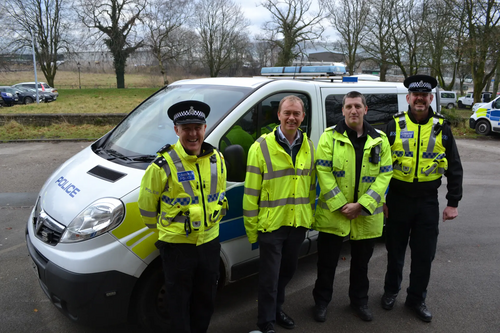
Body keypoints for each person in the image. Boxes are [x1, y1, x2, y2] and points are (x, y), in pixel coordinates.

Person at [138, 100, 228, 333]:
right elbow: (147, 209)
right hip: (177, 247)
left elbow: (219, 194)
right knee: (178, 303)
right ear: (176, 130)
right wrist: (168, 230)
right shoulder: (162, 165)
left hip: (209, 243)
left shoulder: (217, 158)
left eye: (197, 127)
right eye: (186, 128)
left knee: (205, 300)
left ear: (205, 128)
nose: (192, 133)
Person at [381, 75, 463, 322]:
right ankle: (390, 292)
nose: (419, 99)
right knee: (394, 251)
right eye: (415, 95)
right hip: (397, 199)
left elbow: (455, 167)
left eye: (424, 96)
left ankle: (416, 299)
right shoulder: (393, 125)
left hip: (427, 201)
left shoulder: (442, 127)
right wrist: (382, 199)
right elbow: (379, 166)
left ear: (430, 99)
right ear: (408, 98)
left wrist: (453, 202)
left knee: (424, 254)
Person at [312, 91, 393, 323]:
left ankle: (359, 302)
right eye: (349, 106)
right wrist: (342, 205)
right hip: (334, 216)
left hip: (365, 216)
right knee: (326, 264)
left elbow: (385, 175)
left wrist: (362, 205)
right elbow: (323, 171)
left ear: (365, 110)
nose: (353, 110)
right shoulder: (328, 137)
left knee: (361, 264)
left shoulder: (380, 139)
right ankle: (321, 302)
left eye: (358, 106)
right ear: (343, 110)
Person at [243, 95, 316, 333]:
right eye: (287, 113)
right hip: (271, 226)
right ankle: (266, 324)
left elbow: (311, 186)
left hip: (297, 224)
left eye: (296, 113)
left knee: (287, 272)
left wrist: (309, 218)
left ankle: (276, 310)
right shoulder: (261, 146)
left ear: (303, 117)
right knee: (269, 279)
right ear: (279, 115)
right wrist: (253, 230)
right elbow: (251, 192)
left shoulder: (309, 146)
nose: (292, 118)